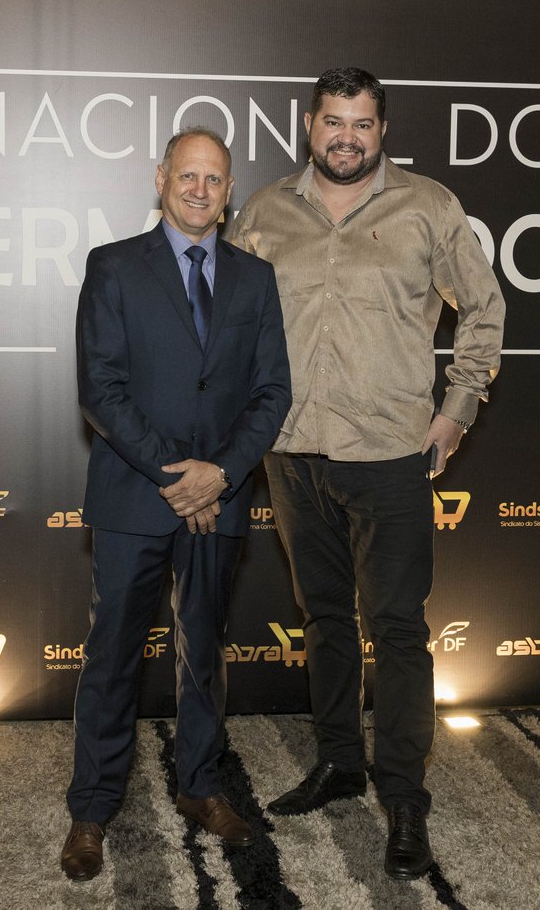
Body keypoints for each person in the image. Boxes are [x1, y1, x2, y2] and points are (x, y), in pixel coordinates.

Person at [227, 67, 504, 880]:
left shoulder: (428, 207)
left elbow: (484, 307)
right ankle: (341, 761)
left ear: (382, 130)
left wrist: (456, 410)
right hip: (291, 451)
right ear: (309, 125)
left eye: (362, 124)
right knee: (324, 618)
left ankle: (405, 796)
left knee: (397, 627)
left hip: (389, 453)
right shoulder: (265, 212)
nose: (346, 138)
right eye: (332, 122)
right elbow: (228, 323)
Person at [61, 126, 292, 882]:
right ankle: (92, 807)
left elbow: (272, 393)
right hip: (136, 494)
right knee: (113, 656)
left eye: (214, 179)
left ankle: (200, 786)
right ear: (160, 178)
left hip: (220, 498)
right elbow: (101, 389)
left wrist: (218, 474)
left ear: (229, 193)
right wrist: (179, 476)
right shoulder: (114, 266)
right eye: (187, 175)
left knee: (204, 652)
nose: (199, 189)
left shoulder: (256, 279)